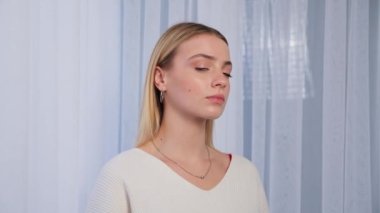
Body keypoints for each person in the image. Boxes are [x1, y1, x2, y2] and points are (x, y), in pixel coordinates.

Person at [86, 22, 269, 213]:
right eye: (202, 67)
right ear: (161, 78)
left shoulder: (245, 174)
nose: (221, 81)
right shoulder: (121, 176)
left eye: (227, 73)